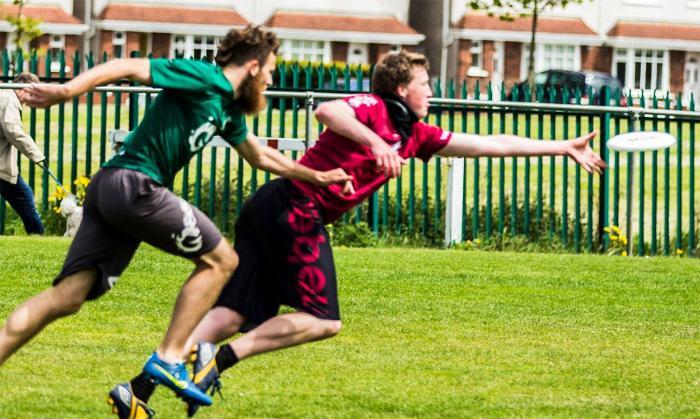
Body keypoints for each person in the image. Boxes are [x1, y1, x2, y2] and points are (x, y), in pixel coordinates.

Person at [173, 50, 607, 417]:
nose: (431, 92)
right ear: (401, 89)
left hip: (273, 209)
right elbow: (328, 111)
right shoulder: (373, 107)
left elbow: (490, 143)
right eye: (425, 84)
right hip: (293, 208)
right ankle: (219, 360)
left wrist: (561, 147)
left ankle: (149, 379)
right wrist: (376, 143)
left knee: (235, 315)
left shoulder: (416, 135)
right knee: (323, 320)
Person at [0, 25, 350, 419]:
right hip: (135, 184)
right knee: (223, 260)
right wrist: (66, 91)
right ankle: (168, 358)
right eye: (270, 70)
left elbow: (261, 156)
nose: (270, 80)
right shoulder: (203, 77)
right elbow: (127, 65)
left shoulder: (228, 109)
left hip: (110, 188)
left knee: (66, 298)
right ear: (253, 66)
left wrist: (318, 177)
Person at [0, 72, 46, 235]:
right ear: (23, 88)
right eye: (31, 94)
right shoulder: (9, 100)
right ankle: (38, 238)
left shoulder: (3, 95)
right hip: (1, 168)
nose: (31, 99)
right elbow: (13, 131)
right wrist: (37, 155)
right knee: (24, 197)